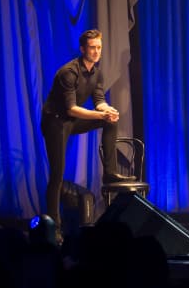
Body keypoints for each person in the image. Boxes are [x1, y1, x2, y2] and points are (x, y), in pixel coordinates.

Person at [41, 29, 131, 244]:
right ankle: (55, 228)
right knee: (57, 175)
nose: (96, 51)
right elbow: (71, 109)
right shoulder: (69, 73)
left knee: (111, 120)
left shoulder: (96, 73)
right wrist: (101, 113)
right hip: (55, 122)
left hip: (71, 120)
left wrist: (107, 110)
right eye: (92, 47)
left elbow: (99, 99)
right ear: (83, 49)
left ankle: (109, 172)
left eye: (99, 47)